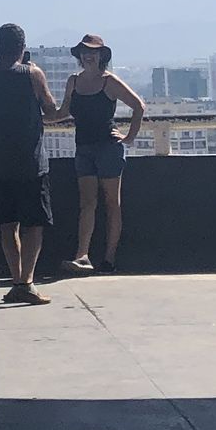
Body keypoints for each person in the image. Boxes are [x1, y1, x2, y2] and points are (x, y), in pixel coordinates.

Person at [0, 22, 57, 305]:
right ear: (22, 48)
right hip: (31, 162)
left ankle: (16, 280)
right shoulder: (32, 74)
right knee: (34, 224)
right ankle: (27, 281)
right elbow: (51, 110)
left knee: (7, 225)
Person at [58, 35, 144, 274]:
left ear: (101, 56)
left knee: (111, 202)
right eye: (85, 52)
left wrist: (129, 137)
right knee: (87, 203)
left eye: (93, 52)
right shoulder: (73, 81)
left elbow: (138, 106)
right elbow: (64, 111)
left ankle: (109, 258)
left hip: (108, 147)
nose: (88, 56)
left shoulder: (109, 82)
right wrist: (40, 117)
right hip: (83, 148)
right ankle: (82, 255)